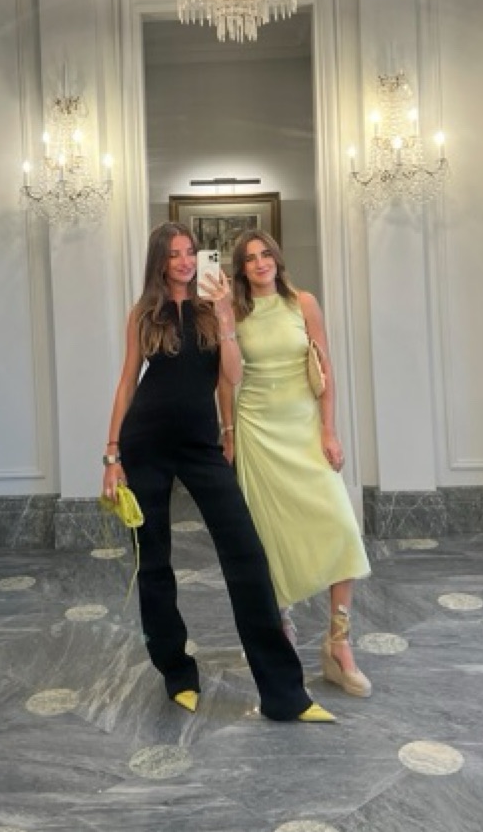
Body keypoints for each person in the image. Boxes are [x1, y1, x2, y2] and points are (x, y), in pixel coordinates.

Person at [101, 221, 335, 723]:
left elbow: (233, 374)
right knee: (154, 562)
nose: (186, 261)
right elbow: (126, 383)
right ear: (160, 261)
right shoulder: (143, 313)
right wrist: (112, 455)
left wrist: (226, 313)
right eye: (174, 254)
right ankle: (177, 673)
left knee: (246, 554)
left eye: (191, 252)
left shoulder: (214, 309)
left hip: (200, 446)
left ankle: (284, 694)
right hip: (145, 443)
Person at [219, 229, 373, 698]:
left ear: (277, 259)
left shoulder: (303, 303)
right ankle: (281, 633)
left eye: (266, 254)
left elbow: (324, 369)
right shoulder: (234, 312)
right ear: (241, 269)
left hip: (304, 428)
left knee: (340, 526)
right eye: (250, 258)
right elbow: (227, 379)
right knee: (271, 538)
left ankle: (339, 644)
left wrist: (329, 429)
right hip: (258, 432)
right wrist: (228, 433)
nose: (260, 263)